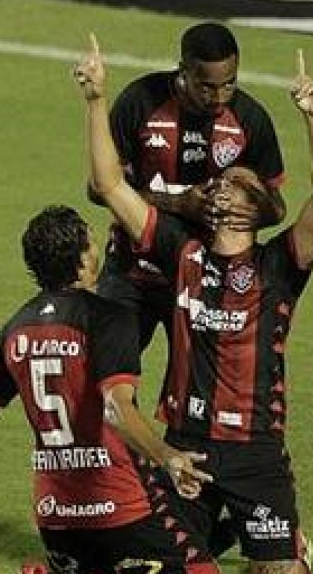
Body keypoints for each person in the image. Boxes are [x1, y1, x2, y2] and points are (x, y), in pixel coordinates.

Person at [75, 35, 313, 574]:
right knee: (152, 568)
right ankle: (214, 533)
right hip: (190, 444)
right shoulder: (182, 254)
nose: (227, 189)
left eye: (241, 187)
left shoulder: (279, 266)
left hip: (256, 450)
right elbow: (108, 186)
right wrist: (95, 100)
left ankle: (286, 545)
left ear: (256, 212)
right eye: (224, 183)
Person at [0, 205, 225, 574]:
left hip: (56, 513)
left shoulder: (13, 330)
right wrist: (167, 456)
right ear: (83, 258)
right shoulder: (108, 318)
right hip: (118, 503)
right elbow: (116, 409)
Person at [89, 21, 288, 352]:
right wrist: (178, 203)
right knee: (105, 374)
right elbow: (99, 188)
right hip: (131, 270)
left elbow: (277, 208)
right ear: (183, 70)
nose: (219, 96)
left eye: (229, 84)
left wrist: (246, 212)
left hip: (204, 280)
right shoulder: (140, 102)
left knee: (195, 393)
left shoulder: (250, 118)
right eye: (207, 86)